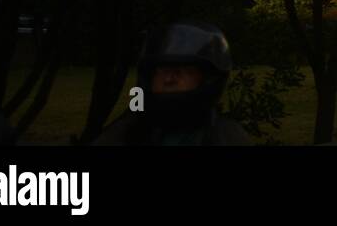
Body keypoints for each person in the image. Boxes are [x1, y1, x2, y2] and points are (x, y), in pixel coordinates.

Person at [93, 21, 251, 145]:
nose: (169, 79)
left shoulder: (227, 137)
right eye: (161, 70)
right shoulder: (122, 135)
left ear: (209, 78)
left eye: (182, 70)